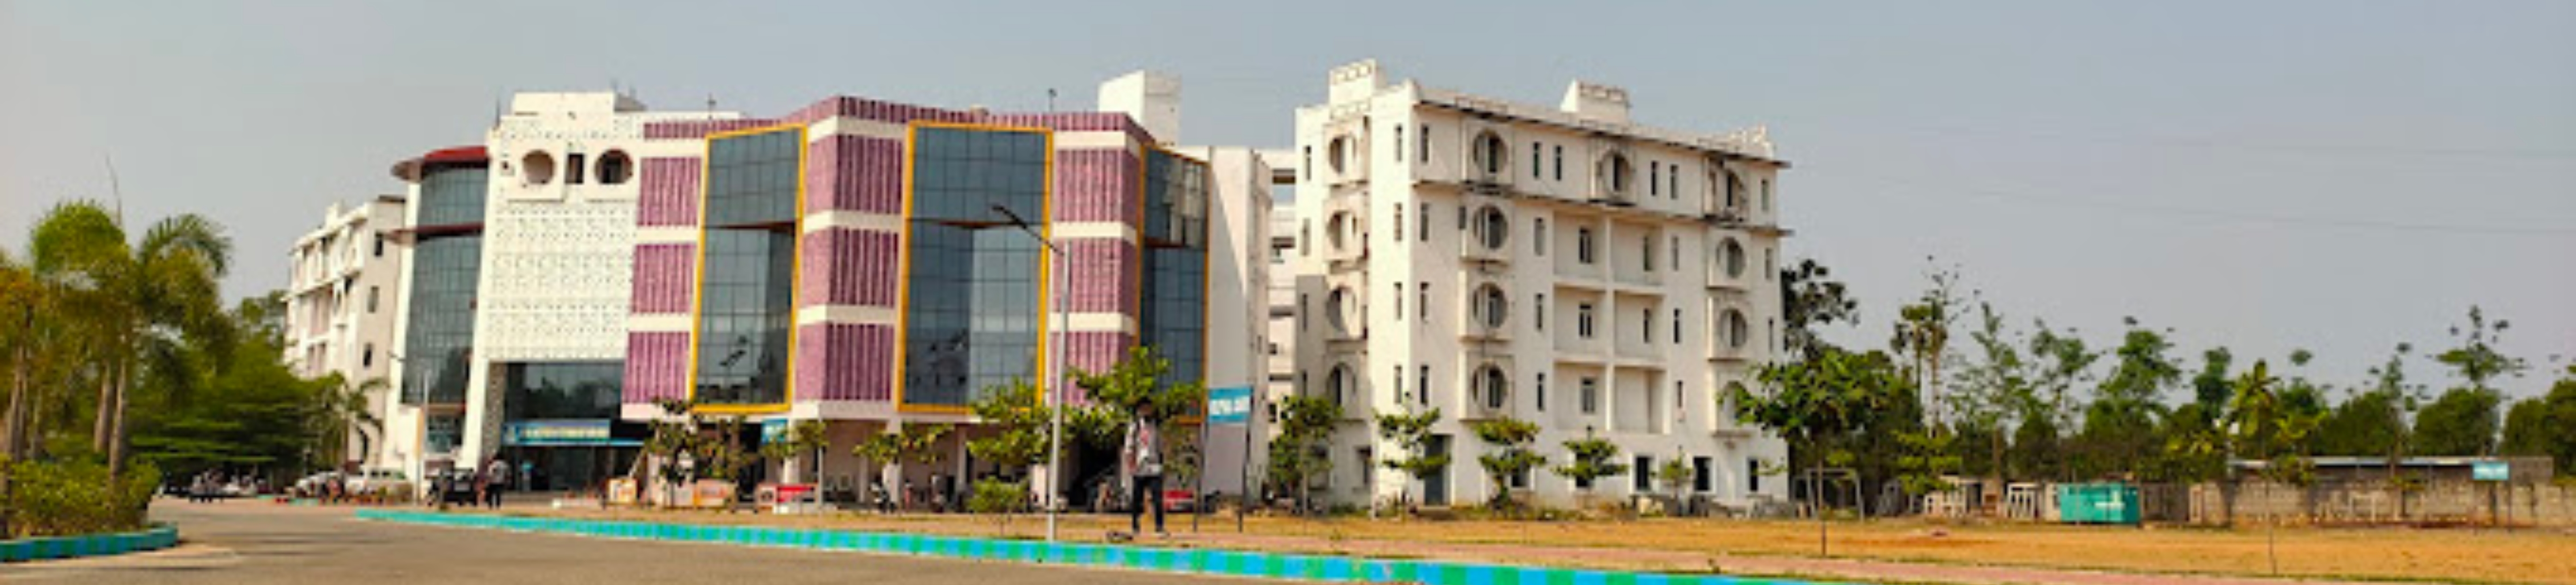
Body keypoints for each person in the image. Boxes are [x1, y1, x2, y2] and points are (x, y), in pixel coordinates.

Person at [1122, 405, 1166, 537]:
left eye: (1149, 409)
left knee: (1158, 498)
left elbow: (1160, 446)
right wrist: (1131, 465)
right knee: (1137, 499)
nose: (1146, 412)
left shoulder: (1156, 426)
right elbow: (1129, 447)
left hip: (1154, 465)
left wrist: (1162, 462)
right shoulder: (1135, 427)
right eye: (1143, 410)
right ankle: (1135, 526)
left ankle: (1159, 527)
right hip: (1140, 466)